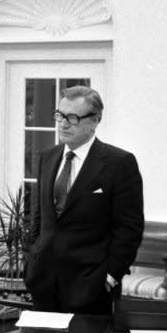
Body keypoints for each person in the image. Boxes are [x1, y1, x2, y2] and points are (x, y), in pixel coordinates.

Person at [25, 86, 144, 315]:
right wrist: (31, 260)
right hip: (43, 284)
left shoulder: (119, 163)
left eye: (73, 118)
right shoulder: (48, 158)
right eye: (59, 115)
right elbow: (39, 219)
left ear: (95, 120)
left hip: (90, 288)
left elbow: (129, 230)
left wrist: (109, 279)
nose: (63, 124)